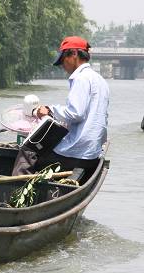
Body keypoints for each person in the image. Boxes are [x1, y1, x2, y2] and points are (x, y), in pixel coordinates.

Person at [12, 36, 110, 177]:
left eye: (64, 59)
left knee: (28, 151)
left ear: (74, 54)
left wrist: (50, 110)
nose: (63, 65)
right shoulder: (100, 80)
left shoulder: (80, 78)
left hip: (76, 153)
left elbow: (75, 113)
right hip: (92, 154)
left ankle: (15, 190)